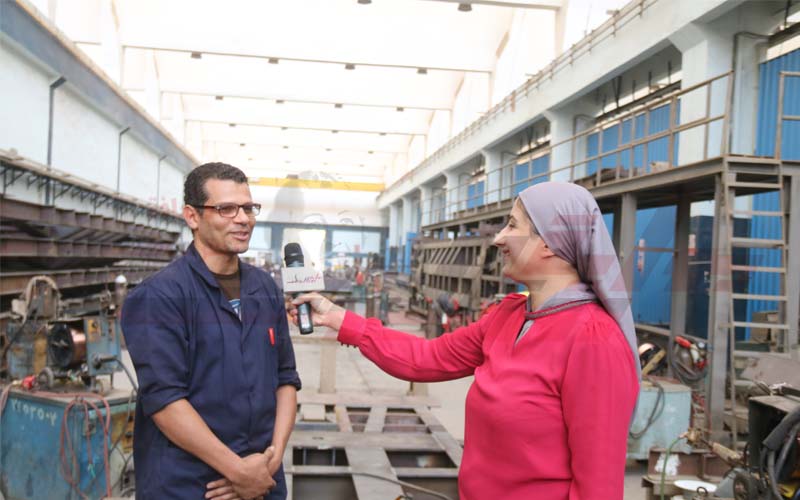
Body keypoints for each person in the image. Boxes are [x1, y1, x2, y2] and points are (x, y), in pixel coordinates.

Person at [291, 181, 640, 500]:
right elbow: (425, 357)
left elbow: (598, 488)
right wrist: (336, 317)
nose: (498, 238)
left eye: (512, 225)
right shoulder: (508, 316)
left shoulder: (594, 341)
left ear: (550, 241)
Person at [121, 163, 301, 500]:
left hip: (264, 482)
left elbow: (286, 378)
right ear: (192, 216)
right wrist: (237, 471)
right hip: (192, 486)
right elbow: (165, 401)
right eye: (227, 209)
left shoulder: (264, 289)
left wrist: (271, 460)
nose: (243, 219)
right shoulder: (159, 297)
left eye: (248, 208)